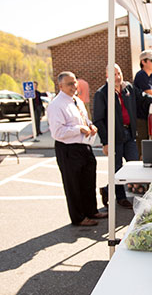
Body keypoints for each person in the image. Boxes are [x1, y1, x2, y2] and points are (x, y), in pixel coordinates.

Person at [47, 71, 107, 226]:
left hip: (84, 146)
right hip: (68, 149)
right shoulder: (56, 105)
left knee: (88, 180)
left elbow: (85, 120)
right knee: (73, 184)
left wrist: (90, 126)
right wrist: (78, 129)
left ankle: (91, 210)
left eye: (74, 82)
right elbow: (57, 132)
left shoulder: (77, 101)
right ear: (60, 86)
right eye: (69, 84)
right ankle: (79, 218)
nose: (74, 86)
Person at [93, 64, 152, 207]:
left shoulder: (128, 88)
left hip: (130, 134)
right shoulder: (102, 94)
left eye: (119, 73)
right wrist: (105, 141)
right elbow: (98, 120)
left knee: (135, 165)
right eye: (113, 74)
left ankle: (107, 189)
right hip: (114, 137)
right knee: (117, 168)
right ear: (107, 76)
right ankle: (120, 197)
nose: (118, 77)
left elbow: (143, 97)